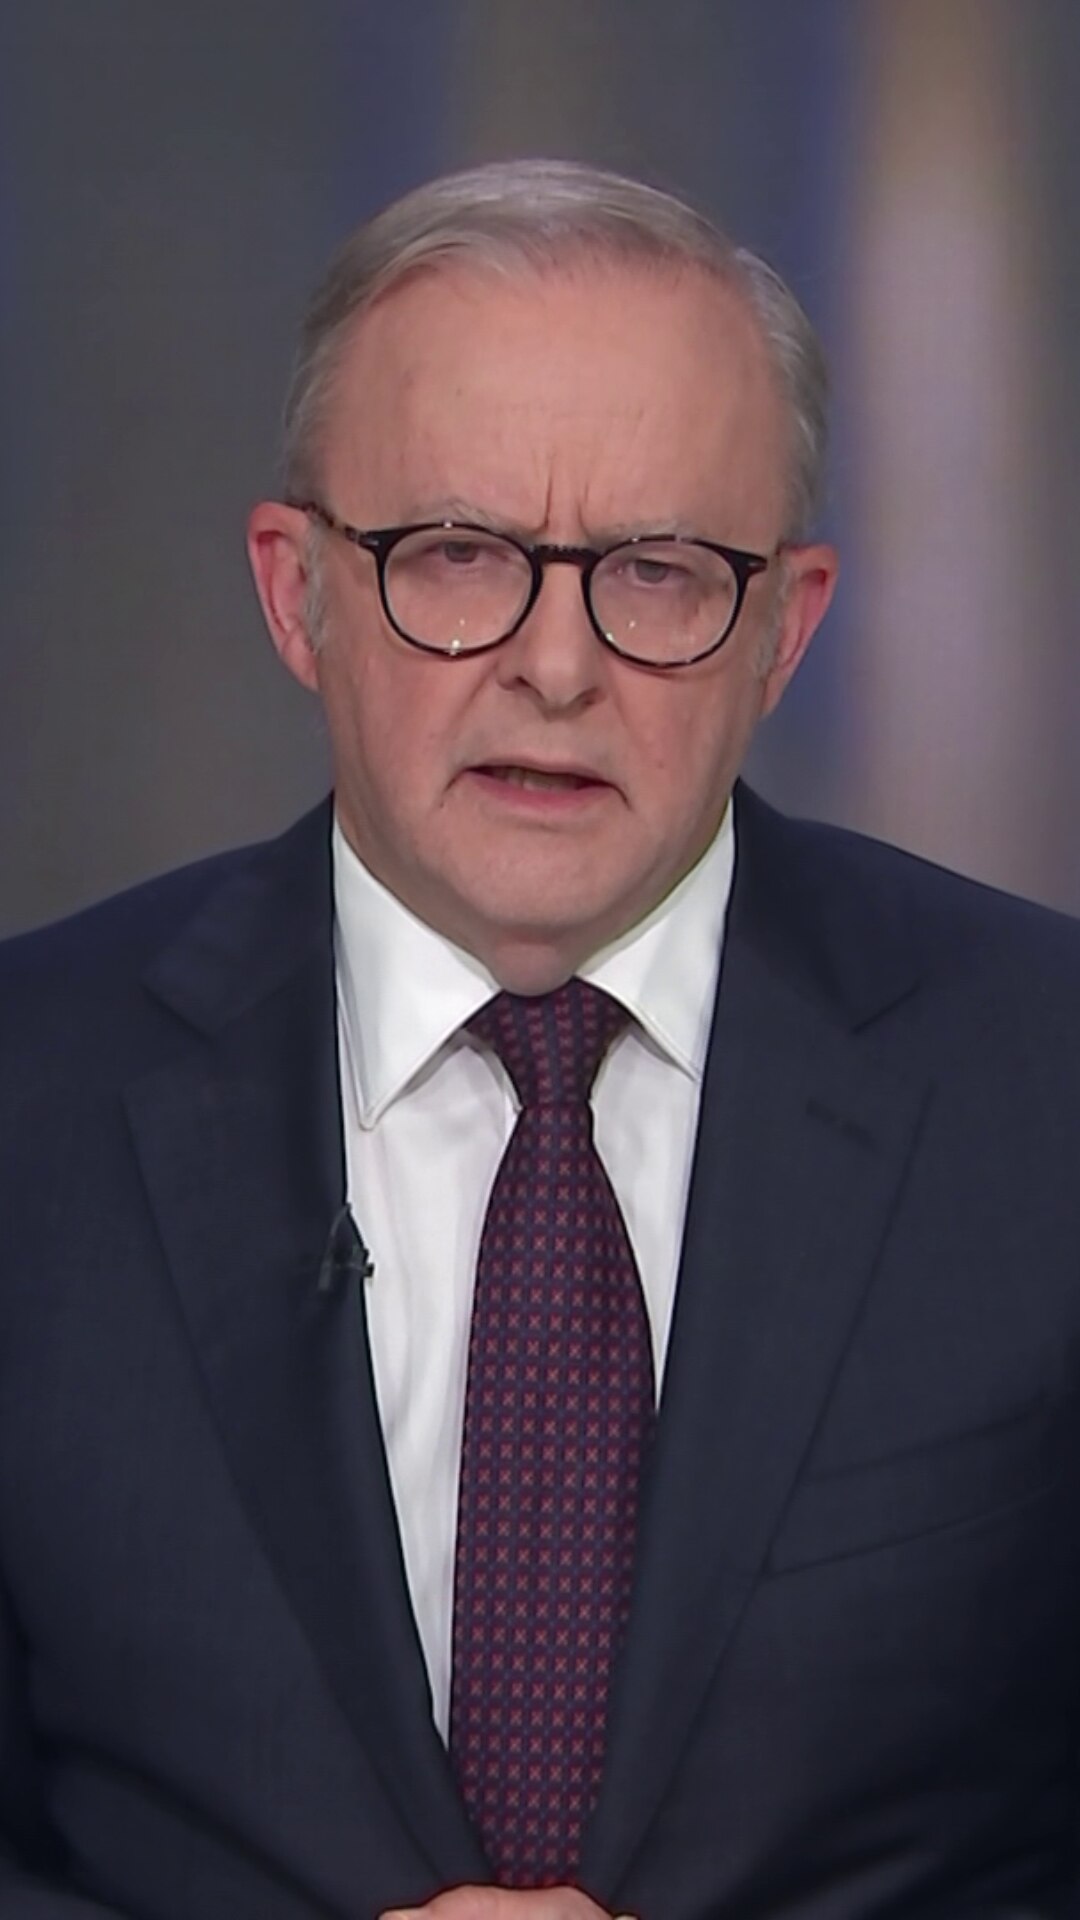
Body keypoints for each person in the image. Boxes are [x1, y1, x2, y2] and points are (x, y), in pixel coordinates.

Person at [2, 156, 1080, 1920]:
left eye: (659, 573)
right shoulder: (28, 1105)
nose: (557, 667)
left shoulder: (1046, 1085)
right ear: (296, 593)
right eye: (456, 555)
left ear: (785, 630)